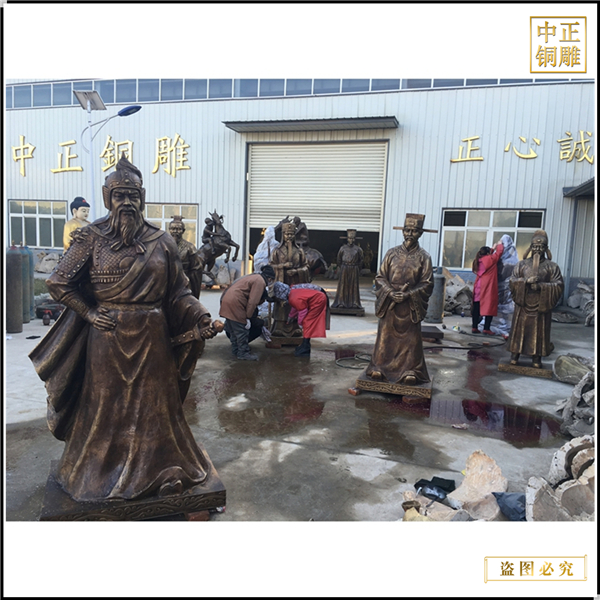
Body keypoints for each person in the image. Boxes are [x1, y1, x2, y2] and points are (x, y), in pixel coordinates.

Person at [29, 156, 221, 502]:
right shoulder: (90, 238)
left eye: (133, 196)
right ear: (108, 198)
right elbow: (58, 283)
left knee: (156, 410)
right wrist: (89, 313)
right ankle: (98, 475)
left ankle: (161, 471)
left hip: (152, 337)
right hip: (107, 337)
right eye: (119, 196)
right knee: (106, 409)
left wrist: (200, 316)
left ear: (142, 198)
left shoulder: (162, 242)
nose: (127, 203)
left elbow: (179, 292)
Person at [365, 213, 434, 386]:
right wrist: (389, 292)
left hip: (410, 305)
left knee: (410, 340)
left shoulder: (424, 257)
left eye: (414, 231)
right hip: (390, 302)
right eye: (407, 230)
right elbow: (380, 277)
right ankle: (379, 368)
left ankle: (411, 371)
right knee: (385, 336)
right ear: (402, 231)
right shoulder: (391, 253)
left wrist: (409, 294)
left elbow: (427, 283)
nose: (410, 234)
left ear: (420, 233)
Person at [507, 229, 564, 369]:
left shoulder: (552, 267)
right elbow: (512, 281)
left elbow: (558, 285)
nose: (537, 250)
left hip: (541, 304)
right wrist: (525, 282)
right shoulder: (522, 264)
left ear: (546, 248)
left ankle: (536, 358)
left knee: (539, 332)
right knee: (519, 331)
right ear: (531, 247)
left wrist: (542, 286)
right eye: (535, 247)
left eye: (541, 247)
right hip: (523, 304)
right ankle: (515, 356)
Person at [219, 264, 276, 361]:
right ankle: (243, 353)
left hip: (226, 300)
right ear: (270, 279)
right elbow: (253, 301)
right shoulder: (260, 281)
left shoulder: (252, 276)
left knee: (233, 331)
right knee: (242, 331)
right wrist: (248, 317)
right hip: (236, 302)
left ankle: (235, 350)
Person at [269, 220, 310, 337]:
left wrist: (296, 271)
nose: (289, 237)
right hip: (282, 281)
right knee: (282, 304)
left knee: (295, 304)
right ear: (283, 235)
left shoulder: (299, 251)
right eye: (287, 234)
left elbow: (306, 266)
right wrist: (282, 266)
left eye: (292, 234)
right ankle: (280, 327)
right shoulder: (277, 251)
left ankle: (294, 327)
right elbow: (271, 266)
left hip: (295, 282)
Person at [271, 281, 330, 357]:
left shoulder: (293, 298)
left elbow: (302, 311)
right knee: (307, 322)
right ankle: (305, 345)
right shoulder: (292, 291)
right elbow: (295, 307)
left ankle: (305, 348)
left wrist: (300, 324)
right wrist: (290, 317)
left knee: (307, 322)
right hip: (319, 296)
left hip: (319, 300)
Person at [471, 240, 504, 335]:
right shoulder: (491, 259)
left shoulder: (478, 260)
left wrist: (492, 248)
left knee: (476, 307)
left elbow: (490, 256)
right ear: (488, 253)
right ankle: (486, 328)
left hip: (478, 285)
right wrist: (499, 244)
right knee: (490, 305)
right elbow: (499, 253)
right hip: (487, 286)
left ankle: (474, 327)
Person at [168, 215, 202, 298]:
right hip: (167, 283)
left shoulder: (190, 247)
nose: (175, 231)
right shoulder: (164, 246)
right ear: (169, 230)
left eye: (179, 229)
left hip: (184, 284)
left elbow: (197, 268)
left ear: (183, 231)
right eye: (173, 229)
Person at [332, 229, 364, 309]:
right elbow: (339, 259)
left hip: (354, 268)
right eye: (350, 238)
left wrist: (356, 268)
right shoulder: (342, 248)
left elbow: (361, 260)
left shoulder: (358, 249)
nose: (351, 240)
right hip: (344, 268)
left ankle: (354, 303)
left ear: (355, 239)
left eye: (353, 238)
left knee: (354, 286)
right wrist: (343, 267)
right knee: (343, 285)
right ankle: (341, 302)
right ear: (347, 239)